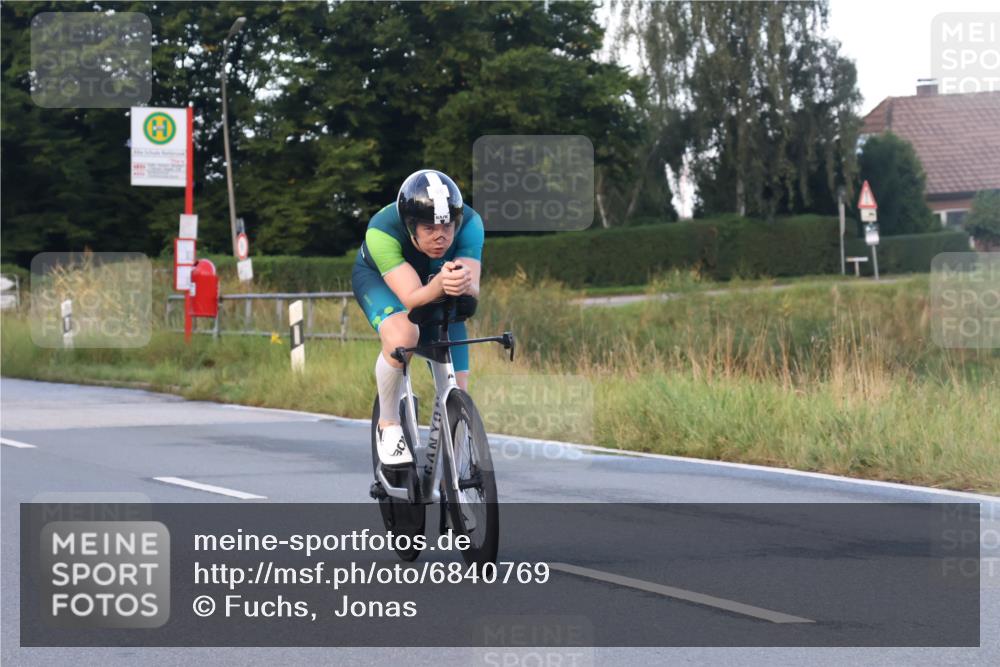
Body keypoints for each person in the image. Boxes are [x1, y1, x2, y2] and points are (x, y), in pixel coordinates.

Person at [351, 169, 484, 468]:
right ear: (411, 227)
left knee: (458, 387)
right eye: (429, 228)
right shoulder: (381, 232)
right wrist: (440, 285)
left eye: (447, 226)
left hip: (433, 282)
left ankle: (451, 473)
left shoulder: (471, 224)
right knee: (404, 336)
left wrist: (460, 284)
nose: (440, 236)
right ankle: (388, 424)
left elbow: (471, 293)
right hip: (380, 281)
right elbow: (411, 298)